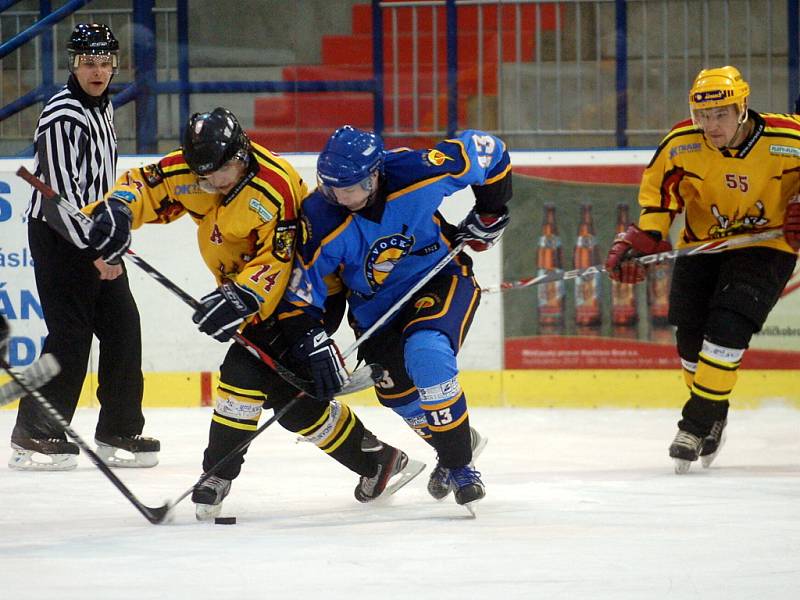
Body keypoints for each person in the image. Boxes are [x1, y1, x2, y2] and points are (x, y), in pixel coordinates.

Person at [83, 108, 424, 520]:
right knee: (288, 397)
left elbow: (278, 263)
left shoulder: (274, 186)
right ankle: (374, 460)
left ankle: (215, 475)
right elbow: (147, 184)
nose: (211, 183)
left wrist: (242, 297)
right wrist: (118, 208)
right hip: (248, 292)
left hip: (306, 297)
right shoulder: (199, 170)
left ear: (241, 154)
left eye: (221, 172)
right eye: (203, 175)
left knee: (241, 372)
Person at [278, 125, 512, 512]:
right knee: (395, 393)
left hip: (439, 278)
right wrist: (311, 341)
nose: (340, 197)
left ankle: (460, 466)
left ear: (375, 175)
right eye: (332, 187)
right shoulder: (319, 216)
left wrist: (491, 211)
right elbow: (304, 291)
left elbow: (489, 150)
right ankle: (457, 439)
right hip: (374, 312)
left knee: (427, 353)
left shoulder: (415, 171)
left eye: (350, 188)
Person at [605, 66, 800, 474]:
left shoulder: (789, 137)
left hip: (766, 244)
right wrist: (648, 236)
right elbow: (660, 196)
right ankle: (714, 412)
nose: (710, 126)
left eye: (721, 115)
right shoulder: (681, 144)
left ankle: (693, 426)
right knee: (691, 341)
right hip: (702, 245)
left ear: (742, 107)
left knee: (728, 326)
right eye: (702, 116)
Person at [9, 23, 159, 471]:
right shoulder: (61, 116)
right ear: (74, 65)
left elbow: (97, 185)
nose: (98, 71)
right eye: (89, 63)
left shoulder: (103, 107)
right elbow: (58, 200)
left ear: (115, 65)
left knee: (123, 327)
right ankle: (35, 432)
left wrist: (108, 237)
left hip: (95, 235)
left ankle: (119, 427)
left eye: (105, 63)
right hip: (60, 238)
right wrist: (96, 250)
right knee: (70, 337)